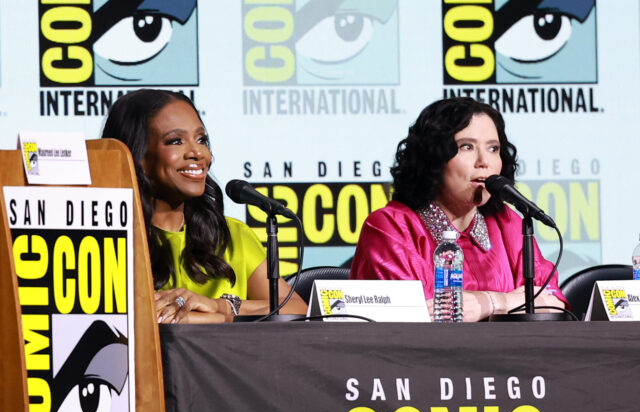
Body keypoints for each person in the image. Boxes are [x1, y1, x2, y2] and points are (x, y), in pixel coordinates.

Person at [350, 97, 566, 321]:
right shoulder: (391, 227)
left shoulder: (507, 222)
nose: (484, 161)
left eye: (493, 148)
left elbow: (554, 302)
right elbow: (415, 318)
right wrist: (516, 301)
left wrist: (491, 302)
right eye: (467, 147)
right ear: (433, 158)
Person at [102, 89, 307, 323]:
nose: (197, 152)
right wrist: (199, 318)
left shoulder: (233, 236)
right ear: (137, 156)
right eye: (176, 141)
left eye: (201, 140)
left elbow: (296, 308)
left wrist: (218, 307)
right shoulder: (108, 242)